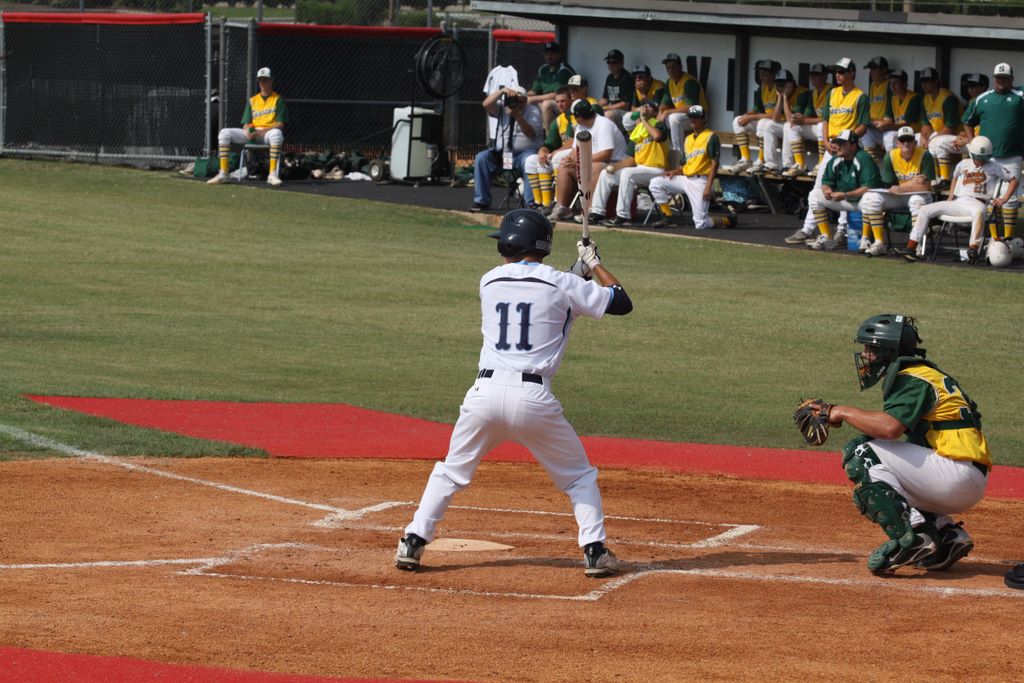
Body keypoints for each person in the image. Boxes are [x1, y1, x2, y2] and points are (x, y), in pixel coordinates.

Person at [394, 209, 634, 578]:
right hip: (533, 400)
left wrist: (577, 273)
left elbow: (540, 290)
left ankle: (412, 540)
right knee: (578, 477)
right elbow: (620, 301)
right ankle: (594, 550)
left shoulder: (489, 281)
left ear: (509, 245)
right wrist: (594, 264)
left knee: (451, 471)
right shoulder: (563, 285)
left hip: (484, 395)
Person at [823, 313, 989, 574]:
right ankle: (947, 535)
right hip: (964, 475)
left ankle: (914, 537)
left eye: (871, 348)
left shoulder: (912, 378)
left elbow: (889, 429)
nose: (865, 355)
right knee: (887, 468)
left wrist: (841, 411)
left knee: (861, 452)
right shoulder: (925, 374)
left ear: (888, 350)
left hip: (954, 474)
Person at [785, 57, 869, 245]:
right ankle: (808, 229)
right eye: (836, 72)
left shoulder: (860, 96)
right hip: (831, 147)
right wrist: (825, 141)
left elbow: (864, 126)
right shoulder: (833, 93)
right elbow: (825, 121)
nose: (838, 75)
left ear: (852, 73)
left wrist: (846, 141)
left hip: (850, 148)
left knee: (847, 189)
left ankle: (842, 231)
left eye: (842, 71)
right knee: (819, 187)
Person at [897, 135, 1017, 263]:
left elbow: (1013, 180)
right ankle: (911, 247)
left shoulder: (995, 166)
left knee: (979, 212)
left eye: (984, 158)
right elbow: (955, 177)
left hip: (978, 202)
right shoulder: (963, 164)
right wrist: (951, 195)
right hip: (959, 201)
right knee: (925, 210)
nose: (981, 160)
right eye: (978, 157)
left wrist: (1004, 198)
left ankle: (973, 249)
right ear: (972, 154)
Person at [962, 62, 1024, 242]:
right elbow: (967, 121)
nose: (1001, 81)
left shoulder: (1020, 96)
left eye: (1005, 78)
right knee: (988, 197)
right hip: (987, 157)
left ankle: (1008, 239)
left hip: (1013, 155)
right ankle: (994, 239)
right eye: (998, 78)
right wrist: (973, 142)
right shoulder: (982, 98)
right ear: (994, 79)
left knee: (1009, 198)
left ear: (1012, 79)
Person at [648, 105, 737, 229]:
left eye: (696, 117)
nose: (693, 120)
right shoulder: (688, 139)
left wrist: (708, 186)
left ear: (703, 119)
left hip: (701, 181)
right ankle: (667, 217)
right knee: (655, 183)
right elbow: (686, 165)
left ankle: (728, 220)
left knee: (701, 224)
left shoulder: (711, 136)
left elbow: (715, 163)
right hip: (685, 179)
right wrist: (674, 172)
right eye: (691, 117)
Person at [858, 126, 935, 256]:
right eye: (902, 140)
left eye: (909, 139)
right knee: (870, 198)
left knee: (917, 200)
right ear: (897, 143)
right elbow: (890, 185)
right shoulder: (891, 156)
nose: (906, 143)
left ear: (915, 142)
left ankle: (915, 244)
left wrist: (904, 187)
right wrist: (913, 183)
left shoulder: (924, 155)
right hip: (899, 195)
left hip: (920, 195)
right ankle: (879, 243)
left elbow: (925, 187)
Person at [594, 98, 670, 226]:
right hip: (640, 169)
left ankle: (623, 216)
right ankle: (597, 212)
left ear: (655, 112)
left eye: (649, 107)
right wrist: (614, 167)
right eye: (644, 106)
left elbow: (657, 136)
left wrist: (644, 120)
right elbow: (631, 159)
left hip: (656, 169)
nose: (645, 108)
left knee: (628, 174)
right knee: (605, 174)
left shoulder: (658, 124)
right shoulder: (638, 130)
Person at [548, 99, 628, 222]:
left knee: (595, 167)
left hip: (615, 163)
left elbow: (606, 154)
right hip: (590, 162)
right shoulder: (581, 126)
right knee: (564, 166)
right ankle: (562, 208)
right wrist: (570, 160)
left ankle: (589, 210)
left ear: (579, 117)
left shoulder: (604, 124)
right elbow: (575, 149)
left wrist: (580, 162)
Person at [207, 67, 287, 187]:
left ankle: (272, 174)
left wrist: (262, 131)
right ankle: (223, 173)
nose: (263, 83)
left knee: (277, 134)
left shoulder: (278, 99)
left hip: (267, 134)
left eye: (265, 80)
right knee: (224, 132)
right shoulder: (253, 100)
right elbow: (245, 124)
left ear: (271, 81)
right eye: (260, 80)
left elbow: (280, 124)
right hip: (253, 133)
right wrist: (248, 131)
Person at [805, 129, 882, 250]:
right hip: (846, 200)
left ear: (853, 145)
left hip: (862, 202)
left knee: (870, 197)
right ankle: (826, 236)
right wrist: (827, 190)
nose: (838, 146)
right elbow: (826, 182)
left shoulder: (864, 158)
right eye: (837, 143)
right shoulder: (835, 159)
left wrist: (845, 195)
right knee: (815, 195)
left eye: (842, 143)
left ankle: (867, 239)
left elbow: (868, 188)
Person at [470, 85, 542, 212]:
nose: (519, 104)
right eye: (516, 100)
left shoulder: (533, 111)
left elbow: (531, 133)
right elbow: (486, 104)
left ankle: (531, 204)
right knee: (481, 158)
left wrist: (518, 117)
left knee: (531, 161)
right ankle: (481, 201)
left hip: (524, 154)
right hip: (503, 154)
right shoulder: (503, 108)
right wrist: (502, 91)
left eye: (522, 101)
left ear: (526, 100)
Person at [723, 59, 779, 173]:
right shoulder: (762, 87)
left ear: (774, 74)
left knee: (763, 123)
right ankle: (745, 159)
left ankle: (761, 160)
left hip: (778, 123)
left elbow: (775, 115)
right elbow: (757, 109)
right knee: (738, 121)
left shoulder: (779, 88)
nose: (762, 77)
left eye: (765, 74)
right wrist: (747, 115)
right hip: (766, 122)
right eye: (761, 74)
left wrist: (752, 117)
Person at [524, 86, 574, 211]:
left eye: (563, 101)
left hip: (576, 155)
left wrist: (556, 151)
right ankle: (542, 204)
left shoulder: (577, 116)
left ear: (571, 100)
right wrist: (543, 151)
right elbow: (549, 143)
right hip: (562, 155)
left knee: (557, 156)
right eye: (558, 101)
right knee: (531, 160)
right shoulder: (558, 120)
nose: (560, 104)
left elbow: (576, 141)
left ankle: (558, 202)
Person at [656, 52, 708, 168]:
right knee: (659, 120)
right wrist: (658, 119)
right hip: (683, 117)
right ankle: (658, 154)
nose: (670, 70)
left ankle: (679, 157)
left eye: (673, 67)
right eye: (668, 67)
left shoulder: (689, 81)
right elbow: (664, 105)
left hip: (698, 116)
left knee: (674, 118)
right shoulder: (670, 82)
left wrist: (667, 112)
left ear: (680, 67)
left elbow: (690, 107)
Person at [783, 62, 831, 177]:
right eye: (812, 75)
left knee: (822, 126)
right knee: (791, 126)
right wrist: (800, 118)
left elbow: (828, 118)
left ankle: (821, 164)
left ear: (825, 76)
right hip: (819, 130)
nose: (814, 78)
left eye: (817, 75)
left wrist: (804, 120)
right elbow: (807, 116)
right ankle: (800, 164)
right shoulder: (813, 92)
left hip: (831, 129)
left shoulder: (832, 91)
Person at [919, 67, 963, 187]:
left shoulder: (948, 98)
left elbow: (950, 127)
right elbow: (925, 124)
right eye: (922, 81)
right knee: (915, 139)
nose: (924, 85)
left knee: (936, 142)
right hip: (938, 133)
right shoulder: (926, 98)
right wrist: (925, 137)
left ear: (935, 81)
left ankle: (943, 179)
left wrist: (931, 139)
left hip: (957, 135)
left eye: (927, 81)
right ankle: (925, 177)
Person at [763, 69, 807, 175]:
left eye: (783, 84)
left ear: (791, 83)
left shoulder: (802, 93)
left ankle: (788, 165)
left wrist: (785, 98)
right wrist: (780, 97)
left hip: (803, 128)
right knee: (769, 125)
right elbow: (775, 118)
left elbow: (790, 120)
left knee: (788, 126)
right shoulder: (779, 93)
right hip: (792, 127)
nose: (780, 87)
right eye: (778, 84)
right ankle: (770, 164)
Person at [528, 41, 575, 130]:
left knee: (546, 104)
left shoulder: (564, 70)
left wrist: (532, 99)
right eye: (546, 54)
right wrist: (523, 96)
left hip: (564, 104)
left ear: (559, 54)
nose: (549, 56)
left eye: (552, 53)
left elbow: (556, 95)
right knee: (522, 103)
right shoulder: (543, 69)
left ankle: (548, 137)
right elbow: (534, 91)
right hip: (546, 102)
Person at [880, 69, 923, 151]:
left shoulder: (915, 98)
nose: (892, 86)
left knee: (891, 135)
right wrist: (880, 124)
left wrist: (887, 125)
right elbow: (887, 119)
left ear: (905, 84)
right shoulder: (893, 98)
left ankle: (892, 158)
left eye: (896, 82)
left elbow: (904, 125)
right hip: (901, 132)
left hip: (915, 134)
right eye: (890, 83)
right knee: (885, 134)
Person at [861, 56, 891, 162]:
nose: (871, 72)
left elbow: (890, 113)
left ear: (884, 70)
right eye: (871, 69)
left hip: (887, 128)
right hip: (874, 126)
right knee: (862, 131)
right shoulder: (873, 84)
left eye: (874, 69)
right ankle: (871, 162)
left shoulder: (889, 85)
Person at [624, 65, 665, 132]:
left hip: (657, 116)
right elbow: (633, 108)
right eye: (635, 77)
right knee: (627, 117)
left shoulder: (658, 86)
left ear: (649, 77)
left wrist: (642, 93)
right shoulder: (637, 87)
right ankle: (635, 136)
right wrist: (639, 109)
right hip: (644, 114)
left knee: (644, 115)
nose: (637, 79)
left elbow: (654, 108)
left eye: (640, 76)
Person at [598, 49, 633, 129]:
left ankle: (614, 136)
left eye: (614, 62)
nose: (611, 65)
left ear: (622, 63)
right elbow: (605, 99)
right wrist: (595, 106)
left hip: (625, 112)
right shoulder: (610, 77)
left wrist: (604, 108)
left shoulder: (627, 78)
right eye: (609, 62)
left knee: (608, 115)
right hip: (611, 108)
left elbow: (625, 104)